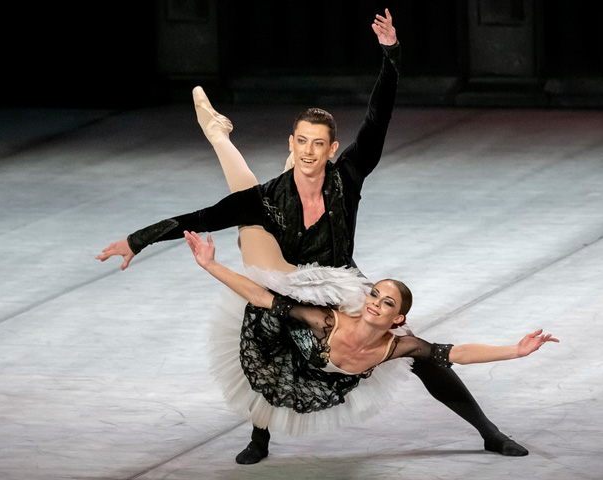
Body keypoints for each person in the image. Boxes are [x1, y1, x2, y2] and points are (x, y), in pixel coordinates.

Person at [98, 9, 531, 463]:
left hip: (338, 277)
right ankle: (260, 438)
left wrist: (391, 54)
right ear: (291, 143)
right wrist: (136, 241)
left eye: (318, 144)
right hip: (283, 271)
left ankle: (489, 431)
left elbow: (377, 119)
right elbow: (202, 217)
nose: (309, 150)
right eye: (301, 142)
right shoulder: (266, 199)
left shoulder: (348, 177)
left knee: (416, 350)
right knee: (269, 324)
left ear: (331, 148)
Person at [183, 229, 558, 458]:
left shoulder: (399, 346)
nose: (375, 303)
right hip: (292, 343)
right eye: (374, 295)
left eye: (387, 303)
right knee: (273, 368)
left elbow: (454, 353)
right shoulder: (323, 320)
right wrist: (211, 265)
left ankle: (490, 434)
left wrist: (515, 351)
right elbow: (261, 297)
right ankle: (259, 438)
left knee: (432, 362)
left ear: (399, 319)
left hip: (337, 369)